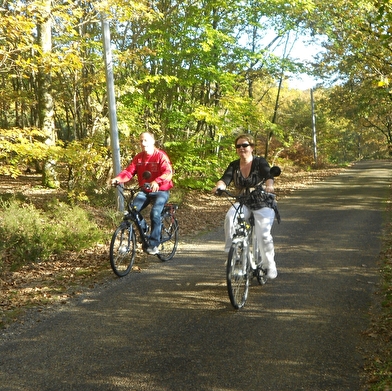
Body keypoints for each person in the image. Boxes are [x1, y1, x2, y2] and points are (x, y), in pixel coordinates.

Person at [211, 134, 278, 279]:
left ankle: (269, 264)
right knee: (230, 217)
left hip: (262, 201)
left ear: (252, 147)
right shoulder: (234, 165)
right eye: (238, 146)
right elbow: (225, 179)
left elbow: (268, 175)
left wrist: (269, 186)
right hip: (243, 201)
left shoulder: (260, 162)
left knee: (263, 234)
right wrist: (219, 186)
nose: (241, 148)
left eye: (245, 145)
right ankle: (233, 254)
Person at [112, 132, 173, 255]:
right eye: (141, 141)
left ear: (153, 141)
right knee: (132, 211)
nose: (143, 143)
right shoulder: (139, 158)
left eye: (146, 140)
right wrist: (118, 179)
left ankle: (154, 243)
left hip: (161, 191)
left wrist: (157, 181)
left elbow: (168, 172)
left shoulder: (160, 156)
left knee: (155, 212)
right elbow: (129, 172)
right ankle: (144, 229)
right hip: (145, 191)